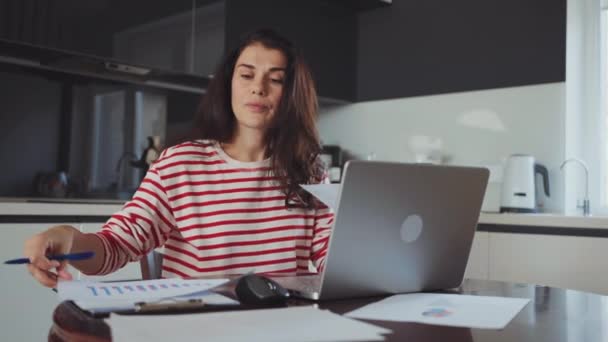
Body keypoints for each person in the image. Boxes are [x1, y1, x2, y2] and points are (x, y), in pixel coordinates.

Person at [23, 28, 334, 288]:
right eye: (246, 75)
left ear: (292, 92)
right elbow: (116, 245)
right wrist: (69, 240)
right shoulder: (180, 164)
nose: (258, 88)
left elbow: (334, 261)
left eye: (276, 79)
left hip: (287, 325)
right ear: (229, 85)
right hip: (198, 326)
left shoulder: (309, 170)